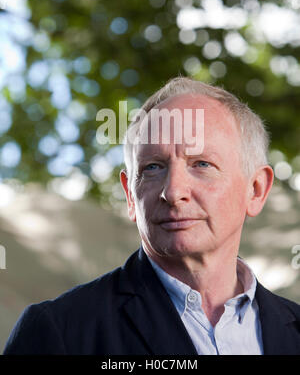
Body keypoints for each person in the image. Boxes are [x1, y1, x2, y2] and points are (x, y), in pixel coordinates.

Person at [3, 76, 300, 355]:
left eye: (201, 164)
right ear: (130, 196)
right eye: (153, 168)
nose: (173, 192)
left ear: (256, 189)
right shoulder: (61, 333)